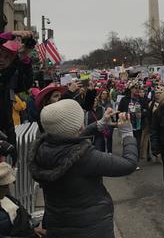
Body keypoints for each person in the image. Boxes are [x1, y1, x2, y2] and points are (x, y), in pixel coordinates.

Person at [29, 99, 138, 238]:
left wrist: (100, 124)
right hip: (92, 227)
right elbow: (128, 164)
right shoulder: (84, 157)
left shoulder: (41, 149)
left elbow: (67, 136)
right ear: (78, 126)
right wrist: (127, 133)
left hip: (58, 223)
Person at [0, 32, 34, 163]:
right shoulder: (5, 77)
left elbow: (25, 85)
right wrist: (13, 33)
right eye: (0, 55)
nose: (2, 59)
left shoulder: (9, 79)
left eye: (7, 56)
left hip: (7, 132)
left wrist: (24, 59)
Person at [0, 162, 43, 237]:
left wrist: (33, 227)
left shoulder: (9, 200)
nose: (8, 188)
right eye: (6, 186)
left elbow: (24, 217)